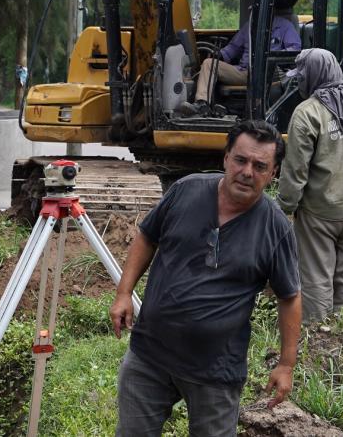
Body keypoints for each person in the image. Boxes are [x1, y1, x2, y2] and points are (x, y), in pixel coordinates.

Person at [109, 120, 302, 436]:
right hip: (150, 356)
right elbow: (147, 236)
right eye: (240, 160)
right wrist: (123, 293)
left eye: (259, 165)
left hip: (215, 371)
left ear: (273, 173)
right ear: (226, 158)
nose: (247, 171)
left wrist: (286, 364)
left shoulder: (275, 229)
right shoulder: (186, 191)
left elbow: (289, 296)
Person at [276, 48, 343, 322]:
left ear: (313, 75)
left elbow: (295, 169)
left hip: (321, 210)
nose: (299, 83)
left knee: (316, 274)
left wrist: (285, 205)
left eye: (301, 76)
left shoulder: (307, 113)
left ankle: (318, 336)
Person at [178, 0, 302, 117]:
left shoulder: (286, 26)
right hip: (244, 72)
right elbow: (233, 47)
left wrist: (270, 57)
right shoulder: (251, 25)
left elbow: (294, 49)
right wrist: (220, 55)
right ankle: (202, 104)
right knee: (209, 64)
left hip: (267, 74)